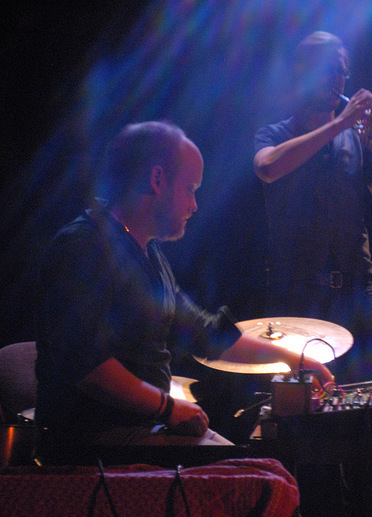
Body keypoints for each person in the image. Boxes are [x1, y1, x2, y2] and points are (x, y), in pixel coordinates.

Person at [34, 120, 333, 462]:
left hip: (137, 432)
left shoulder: (148, 252)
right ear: (157, 179)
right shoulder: (82, 247)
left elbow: (206, 335)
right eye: (190, 188)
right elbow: (89, 368)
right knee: (251, 480)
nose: (194, 205)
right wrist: (167, 408)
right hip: (92, 442)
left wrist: (295, 357)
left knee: (259, 468)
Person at [254, 31, 372, 517]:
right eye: (330, 71)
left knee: (363, 410)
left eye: (344, 72)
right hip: (297, 296)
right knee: (290, 414)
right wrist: (340, 124)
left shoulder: (354, 139)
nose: (340, 82)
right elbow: (269, 166)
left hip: (354, 293)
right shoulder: (277, 130)